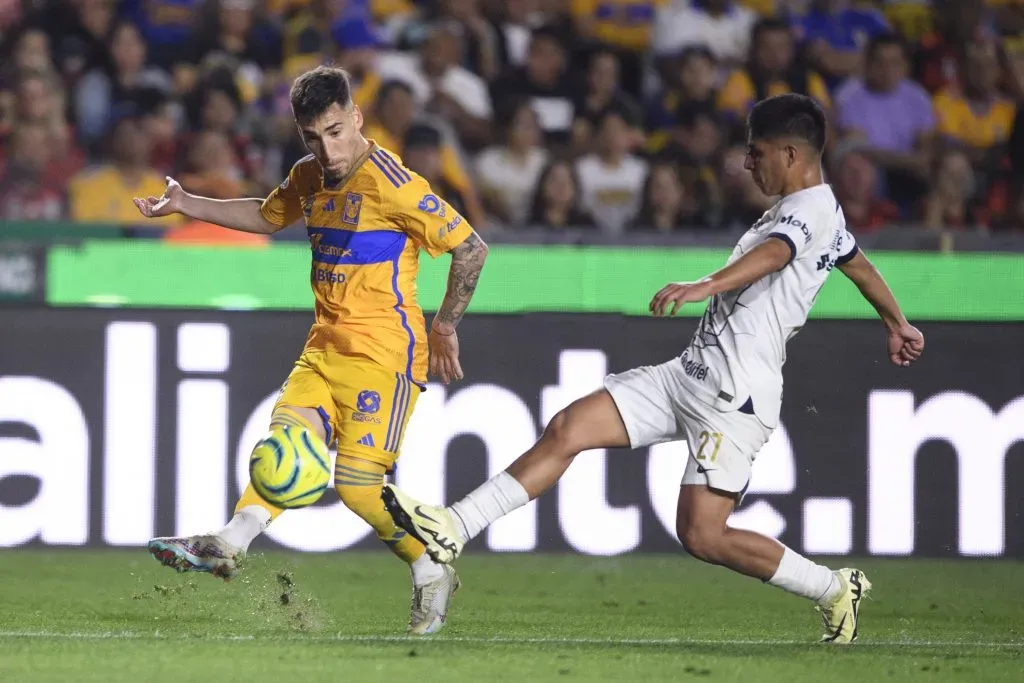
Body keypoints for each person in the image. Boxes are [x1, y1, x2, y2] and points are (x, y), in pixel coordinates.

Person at [381, 93, 925, 644]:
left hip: (734, 397)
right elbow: (857, 264)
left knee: (702, 535)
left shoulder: (807, 212)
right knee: (569, 427)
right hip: (690, 373)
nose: (746, 163)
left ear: (791, 154)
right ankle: (454, 526)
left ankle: (833, 588)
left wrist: (707, 284)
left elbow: (777, 254)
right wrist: (896, 321)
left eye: (756, 152)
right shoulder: (812, 211)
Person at [133, 66, 488, 636]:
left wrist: (445, 326)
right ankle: (229, 542)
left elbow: (471, 248)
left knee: (355, 487)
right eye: (313, 137)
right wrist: (187, 203)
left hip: (384, 356)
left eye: (335, 132)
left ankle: (429, 567)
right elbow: (267, 216)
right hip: (323, 346)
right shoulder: (308, 175)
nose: (328, 150)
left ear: (356, 117)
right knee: (283, 444)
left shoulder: (394, 184)